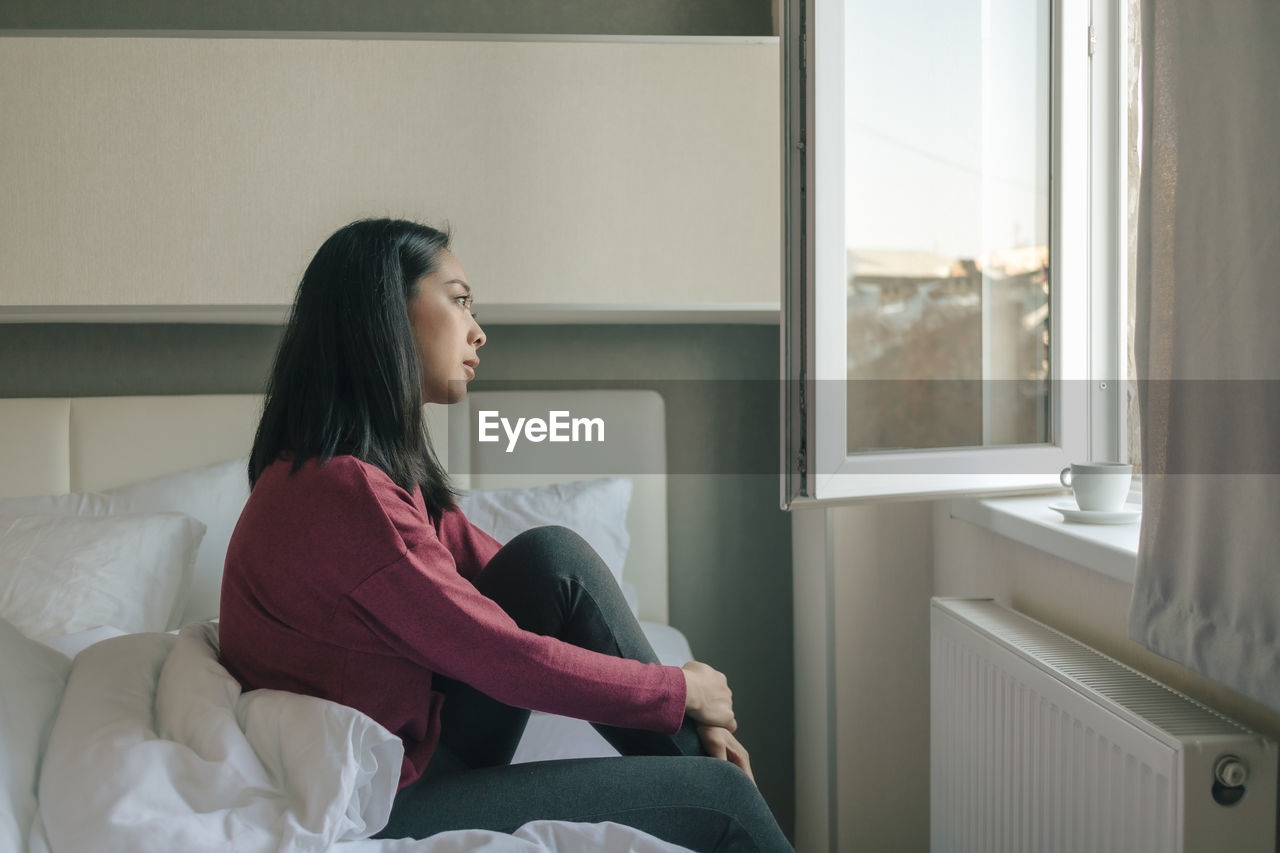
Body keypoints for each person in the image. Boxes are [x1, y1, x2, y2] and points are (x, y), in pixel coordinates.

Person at [219, 218, 792, 852]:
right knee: (725, 797)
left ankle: (698, 754)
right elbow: (503, 656)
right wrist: (679, 690)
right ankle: (708, 770)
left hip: (415, 755)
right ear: (387, 312)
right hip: (379, 802)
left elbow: (536, 587)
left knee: (554, 555)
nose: (478, 329)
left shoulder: (372, 476)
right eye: (458, 299)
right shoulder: (342, 496)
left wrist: (681, 707)